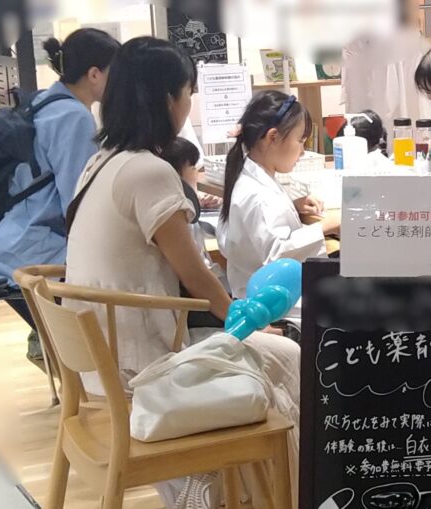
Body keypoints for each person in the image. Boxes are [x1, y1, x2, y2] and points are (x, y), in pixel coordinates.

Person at [64, 37, 300, 507]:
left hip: (97, 360)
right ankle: (272, 497)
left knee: (276, 355)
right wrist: (243, 318)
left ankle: (243, 495)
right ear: (168, 98)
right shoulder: (147, 172)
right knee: (288, 357)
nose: (189, 103)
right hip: (140, 367)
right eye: (188, 92)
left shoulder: (101, 162)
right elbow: (196, 276)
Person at [0, 28, 119, 359]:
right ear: (94, 74)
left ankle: (49, 348)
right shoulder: (74, 117)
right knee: (109, 282)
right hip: (27, 252)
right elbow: (77, 202)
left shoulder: (43, 101)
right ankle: (56, 355)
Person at [217, 91, 340, 326]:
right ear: (273, 137)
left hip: (268, 302)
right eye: (300, 141)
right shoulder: (257, 194)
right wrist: (326, 226)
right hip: (278, 312)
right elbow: (277, 255)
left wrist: (292, 206)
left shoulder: (251, 177)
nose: (302, 152)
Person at [159, 137, 230, 293]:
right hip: (200, 289)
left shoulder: (178, 202)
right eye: (193, 168)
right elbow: (197, 271)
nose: (196, 173)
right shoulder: (179, 214)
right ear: (176, 173)